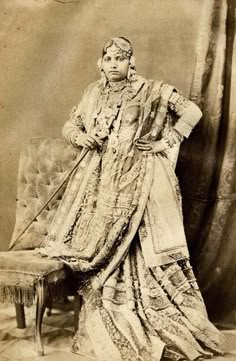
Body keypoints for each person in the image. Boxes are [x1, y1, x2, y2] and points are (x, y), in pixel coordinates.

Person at [40, 37, 224, 361]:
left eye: (120, 58)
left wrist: (167, 140)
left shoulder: (151, 90)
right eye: (108, 58)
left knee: (142, 249)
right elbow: (71, 124)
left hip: (144, 185)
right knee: (102, 250)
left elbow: (192, 112)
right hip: (103, 185)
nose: (113, 64)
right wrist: (81, 136)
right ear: (101, 63)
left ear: (131, 62)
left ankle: (156, 318)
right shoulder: (92, 93)